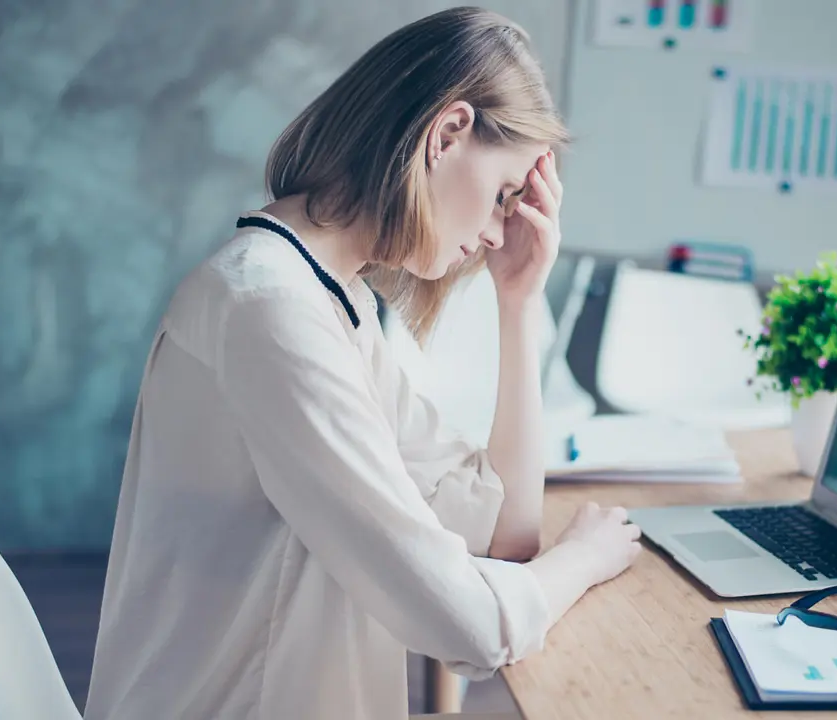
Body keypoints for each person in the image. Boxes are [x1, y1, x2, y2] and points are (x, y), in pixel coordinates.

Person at [84, 8, 642, 719]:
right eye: (504, 195)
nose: (503, 231)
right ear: (447, 134)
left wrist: (519, 303)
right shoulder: (270, 309)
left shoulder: (330, 297)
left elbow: (502, 536)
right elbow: (467, 627)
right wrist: (585, 560)